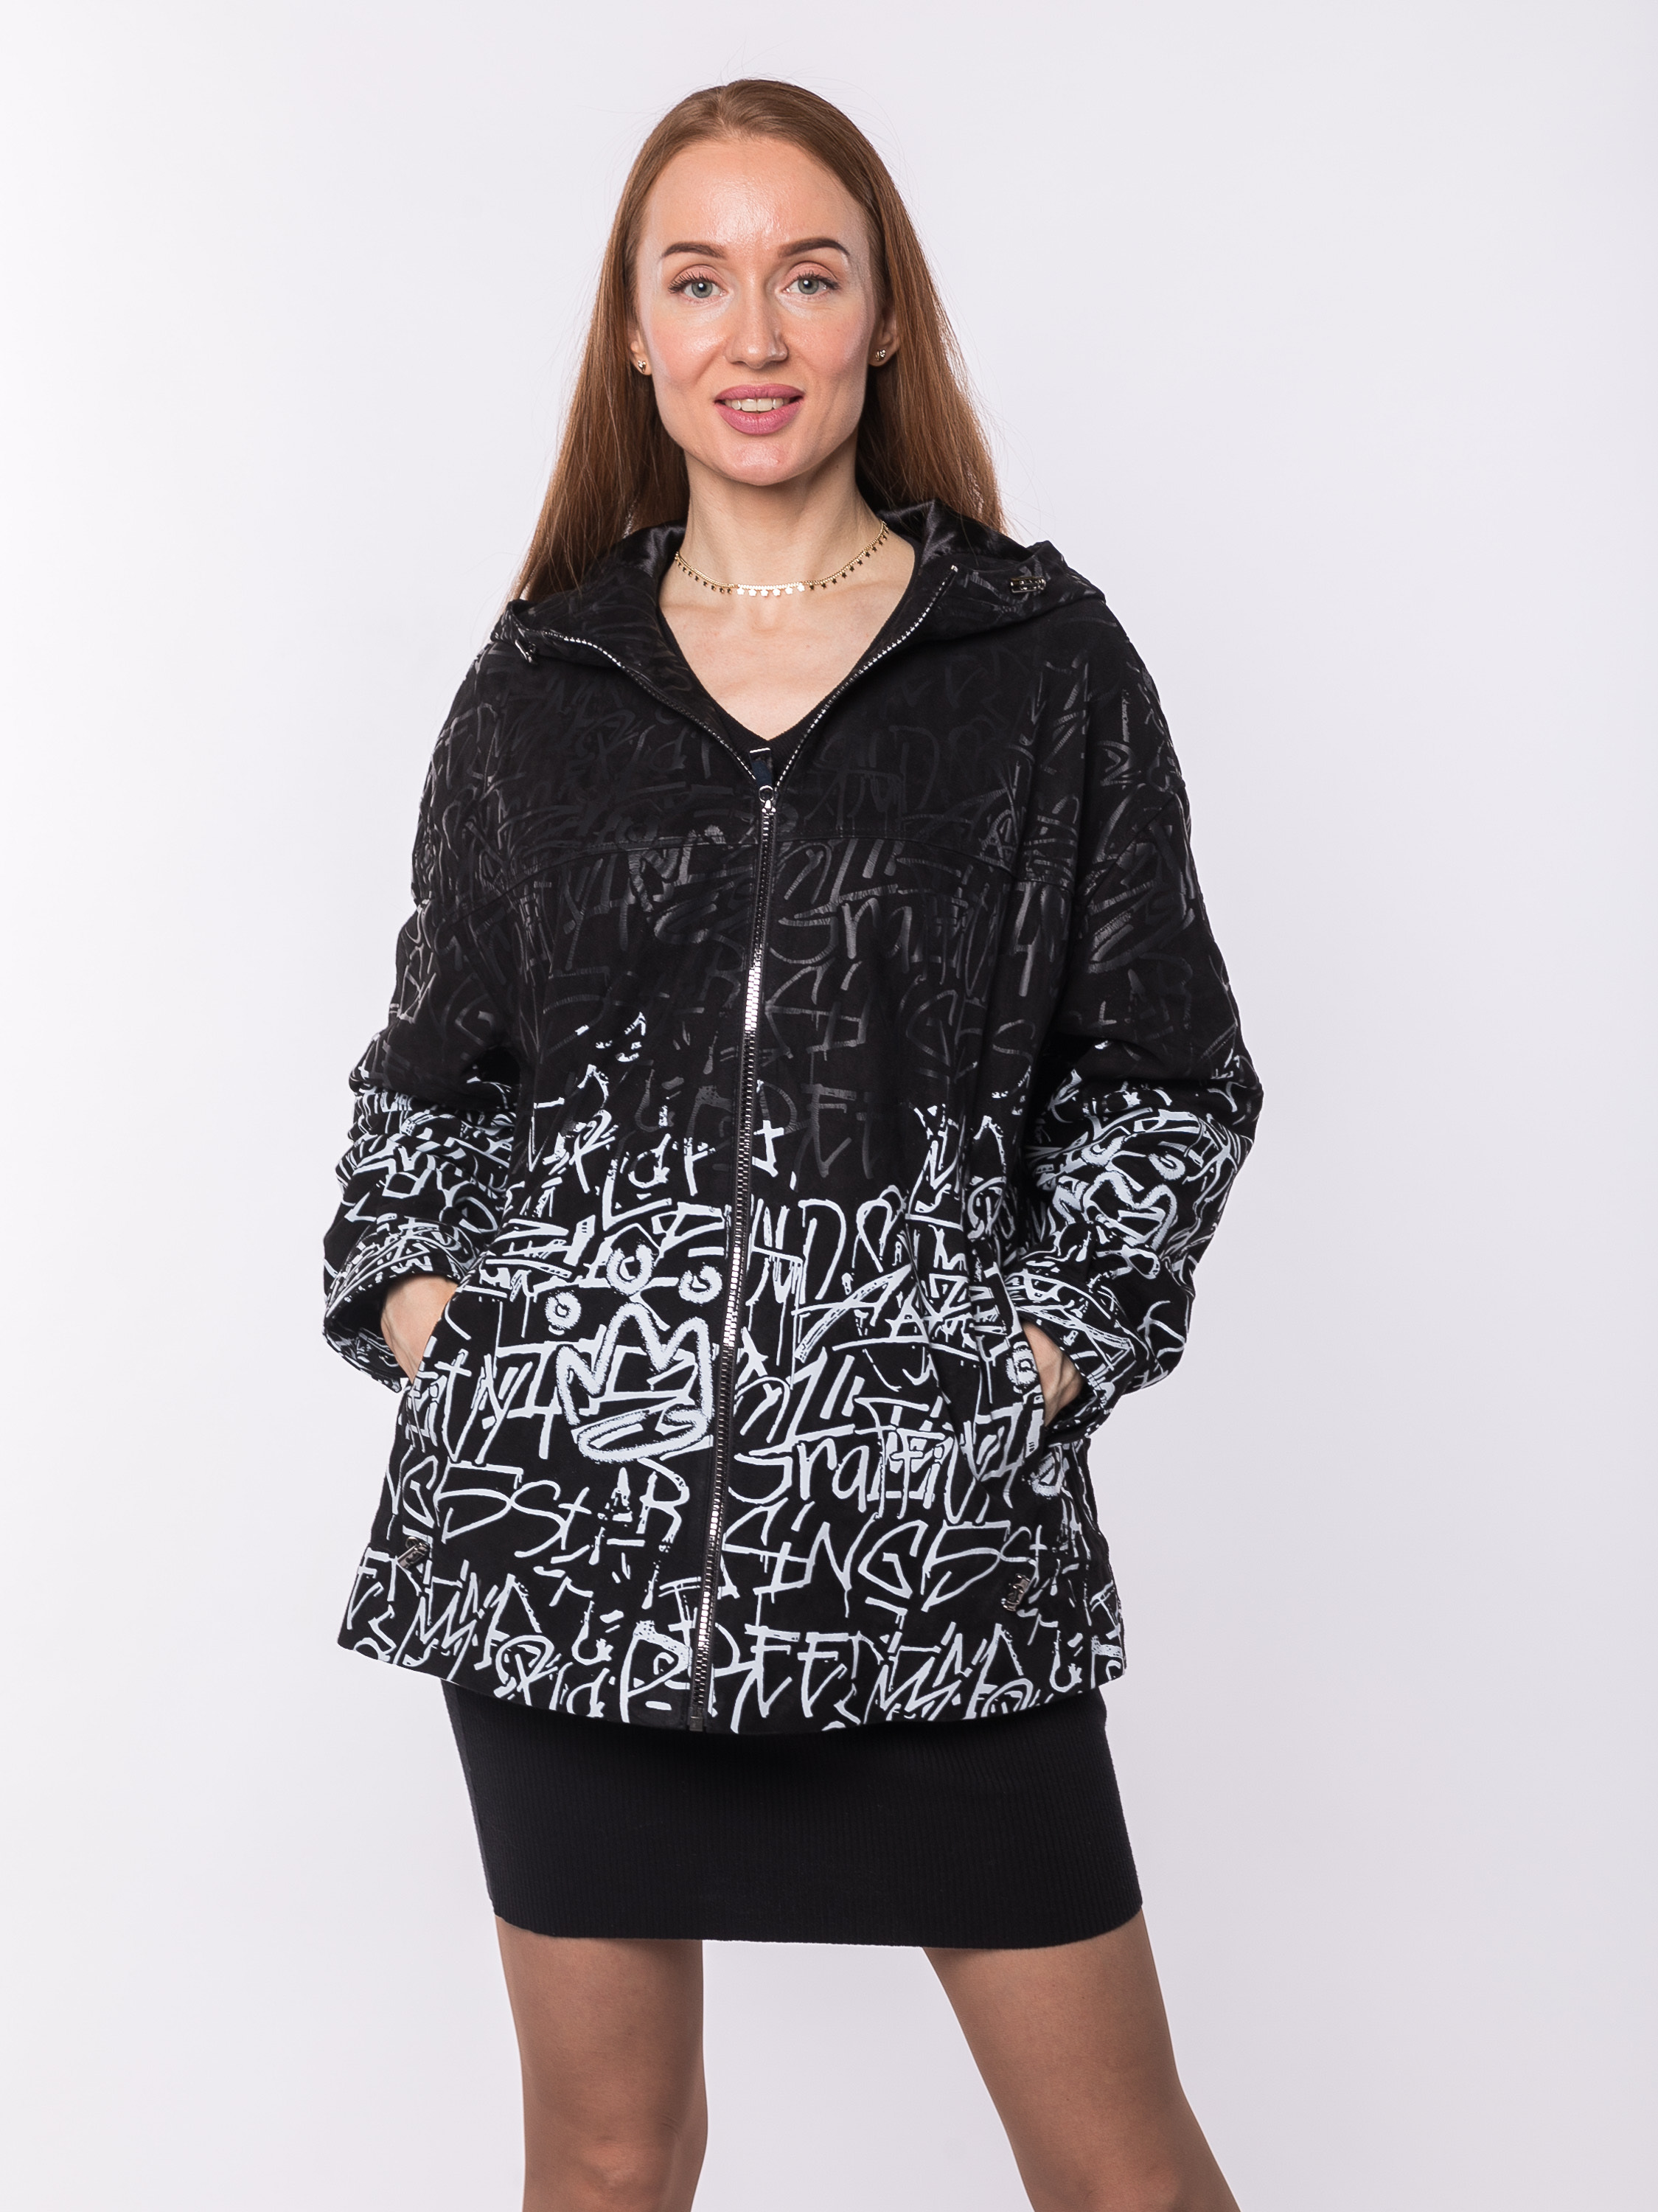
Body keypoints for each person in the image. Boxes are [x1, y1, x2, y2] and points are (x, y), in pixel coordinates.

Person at [324, 77, 1261, 2212]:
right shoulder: (539, 688)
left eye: (808, 276)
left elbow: (1165, 1069)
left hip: (933, 1537)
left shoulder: (1038, 669)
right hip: (566, 1541)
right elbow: (432, 1072)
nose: (753, 333)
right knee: (607, 2160)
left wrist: (1036, 1355)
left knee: (1119, 2173)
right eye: (699, 280)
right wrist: (439, 1322)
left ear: (883, 321)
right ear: (635, 335)